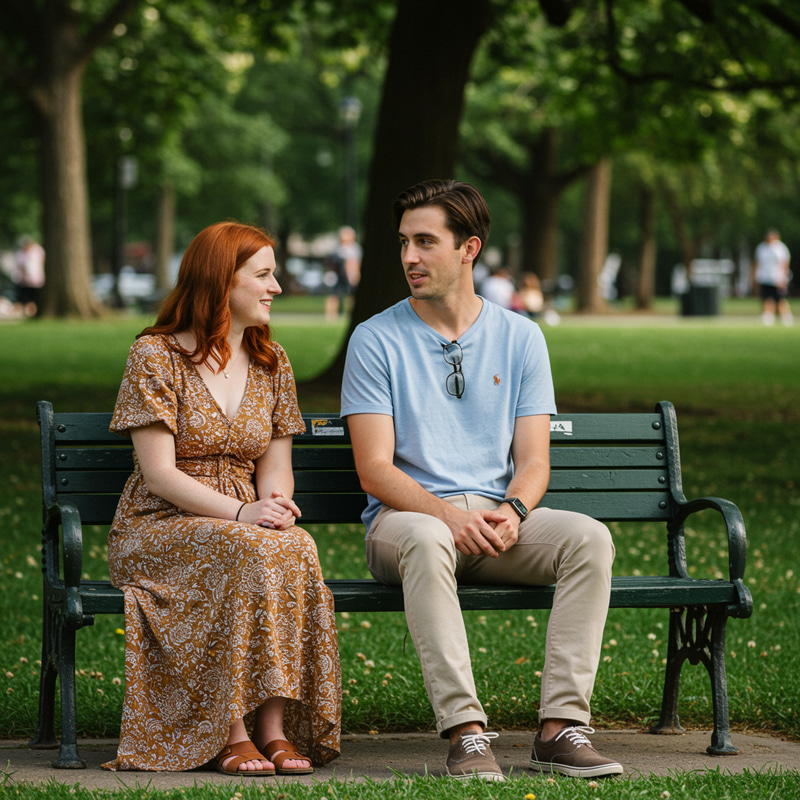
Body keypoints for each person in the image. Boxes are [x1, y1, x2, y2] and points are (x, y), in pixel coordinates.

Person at [340, 180, 622, 782]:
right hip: (407, 525)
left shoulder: (521, 337)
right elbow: (375, 469)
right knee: (426, 538)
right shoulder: (375, 339)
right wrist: (449, 516)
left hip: (494, 522)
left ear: (468, 248)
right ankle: (465, 732)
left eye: (425, 242)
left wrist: (513, 511)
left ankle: (561, 730)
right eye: (403, 243)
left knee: (589, 539)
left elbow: (535, 461)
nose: (409, 257)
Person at [102, 221, 341, 776]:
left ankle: (273, 729)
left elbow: (276, 467)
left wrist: (274, 508)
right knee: (243, 547)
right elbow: (159, 475)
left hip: (241, 522)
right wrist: (241, 513)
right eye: (264, 275)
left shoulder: (272, 361)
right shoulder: (156, 356)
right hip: (158, 524)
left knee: (296, 546)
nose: (276, 287)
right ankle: (230, 732)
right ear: (221, 281)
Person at [752, 229, 792, 326]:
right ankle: (768, 317)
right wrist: (755, 276)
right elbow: (757, 263)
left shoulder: (781, 248)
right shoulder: (761, 248)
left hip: (778, 278)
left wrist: (784, 278)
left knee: (780, 299)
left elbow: (785, 264)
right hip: (765, 277)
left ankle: (786, 317)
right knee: (766, 298)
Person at [324, 225, 362, 319]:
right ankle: (331, 316)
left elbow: (355, 264)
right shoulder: (337, 249)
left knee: (351, 296)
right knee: (334, 296)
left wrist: (354, 275)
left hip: (350, 276)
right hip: (338, 276)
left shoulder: (354, 249)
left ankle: (351, 314)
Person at [13, 236, 45, 317]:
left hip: (35, 281)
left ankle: (31, 313)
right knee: (22, 299)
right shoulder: (20, 253)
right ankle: (22, 314)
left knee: (33, 299)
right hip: (23, 281)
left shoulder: (37, 251)